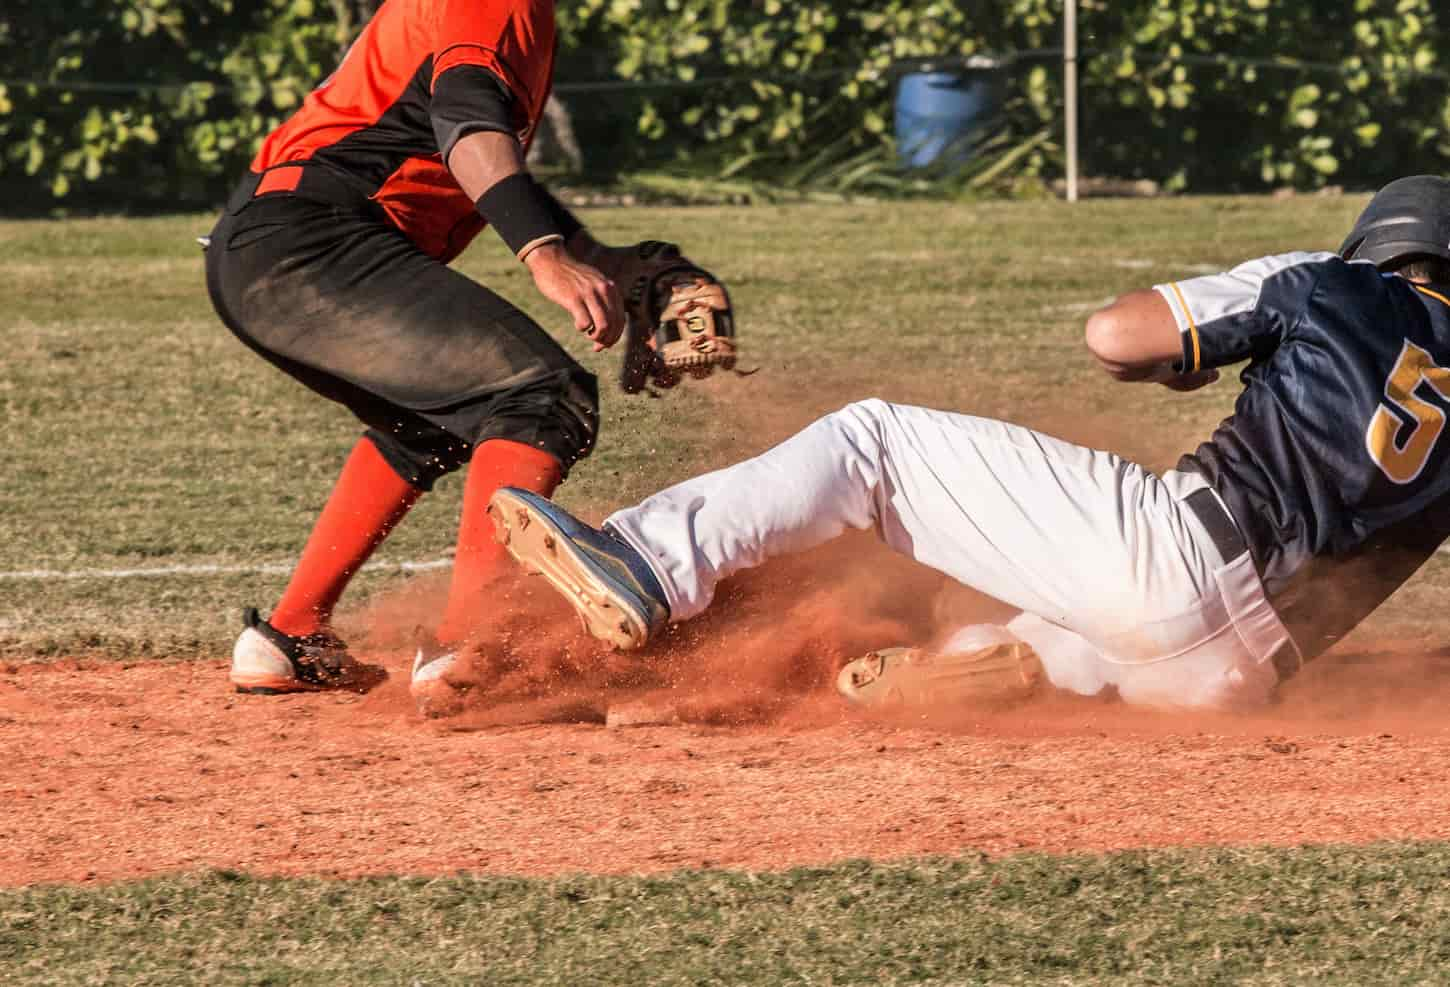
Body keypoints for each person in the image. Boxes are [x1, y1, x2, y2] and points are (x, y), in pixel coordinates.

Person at [484, 175, 1450, 712]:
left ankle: (649, 562)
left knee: (874, 442)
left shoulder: (1334, 283)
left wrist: (1184, 363)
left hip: (1180, 556)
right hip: (1239, 678)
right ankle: (992, 668)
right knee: (1044, 624)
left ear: (1381, 246)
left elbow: (1115, 339)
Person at [205, 0, 722, 711]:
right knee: (542, 394)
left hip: (276, 244)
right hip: (305, 243)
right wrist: (542, 257)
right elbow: (466, 123)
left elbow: (485, 157)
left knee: (438, 419)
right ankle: (470, 652)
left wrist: (606, 263)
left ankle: (290, 637)